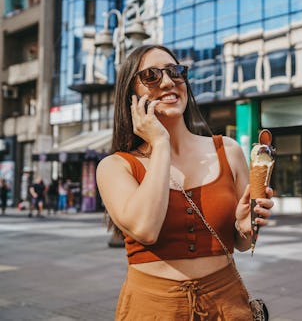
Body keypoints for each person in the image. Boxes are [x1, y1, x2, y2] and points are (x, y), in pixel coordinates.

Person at [96, 44, 274, 320]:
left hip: (226, 303)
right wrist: (160, 142)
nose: (168, 81)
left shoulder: (227, 150)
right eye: (151, 76)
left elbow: (239, 243)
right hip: (153, 307)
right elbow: (146, 229)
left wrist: (244, 227)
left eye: (175, 72)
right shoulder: (115, 166)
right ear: (131, 94)